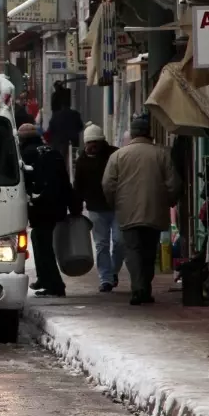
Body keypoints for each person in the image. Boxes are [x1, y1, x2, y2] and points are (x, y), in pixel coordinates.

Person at [102, 113, 180, 306]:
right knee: (148, 252)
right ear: (149, 134)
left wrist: (115, 203)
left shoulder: (118, 156)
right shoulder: (161, 154)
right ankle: (144, 287)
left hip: (127, 213)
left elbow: (107, 184)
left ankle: (139, 289)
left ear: (133, 134)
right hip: (154, 211)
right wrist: (169, 201)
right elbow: (174, 184)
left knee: (133, 251)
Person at [19, 123, 78, 298]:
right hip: (57, 205)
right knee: (39, 240)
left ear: (22, 139)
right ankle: (44, 278)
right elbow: (65, 180)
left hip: (41, 206)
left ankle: (55, 285)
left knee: (43, 245)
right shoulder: (52, 152)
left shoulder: (27, 154)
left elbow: (26, 182)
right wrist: (72, 204)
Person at [73, 123, 122, 292]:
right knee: (101, 245)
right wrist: (76, 208)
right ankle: (105, 279)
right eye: (89, 142)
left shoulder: (114, 155)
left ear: (102, 142)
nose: (92, 146)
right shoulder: (82, 162)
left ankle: (113, 272)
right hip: (95, 208)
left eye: (96, 142)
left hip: (117, 206)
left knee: (119, 241)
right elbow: (78, 186)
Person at [46, 83, 83, 169]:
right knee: (73, 164)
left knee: (60, 163)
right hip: (73, 142)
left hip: (58, 143)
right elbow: (80, 126)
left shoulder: (56, 116)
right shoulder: (75, 114)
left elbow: (51, 129)